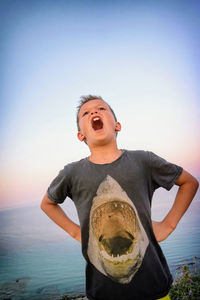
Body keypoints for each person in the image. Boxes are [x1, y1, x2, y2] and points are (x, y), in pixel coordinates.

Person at [41, 95, 199, 300]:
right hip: (102, 293)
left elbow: (189, 183)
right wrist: (76, 232)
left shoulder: (144, 160)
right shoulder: (71, 173)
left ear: (117, 125)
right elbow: (47, 203)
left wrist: (169, 224)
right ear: (80, 135)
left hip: (155, 287)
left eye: (101, 109)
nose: (94, 113)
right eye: (86, 113)